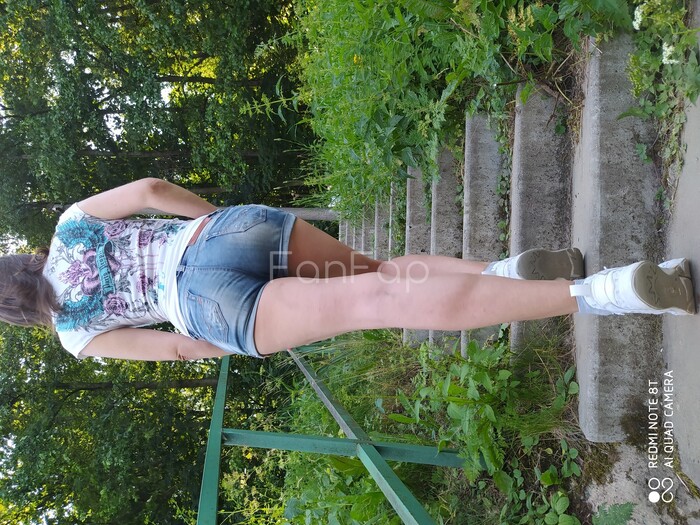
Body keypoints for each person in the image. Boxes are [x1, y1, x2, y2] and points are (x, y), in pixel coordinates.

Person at [0, 178, 695, 361]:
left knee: (377, 305)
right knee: (387, 276)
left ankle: (604, 292)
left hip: (208, 308)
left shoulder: (73, 334)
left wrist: (231, 337)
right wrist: (215, 226)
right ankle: (506, 270)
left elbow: (179, 348)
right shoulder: (70, 222)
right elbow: (153, 189)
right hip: (219, 235)